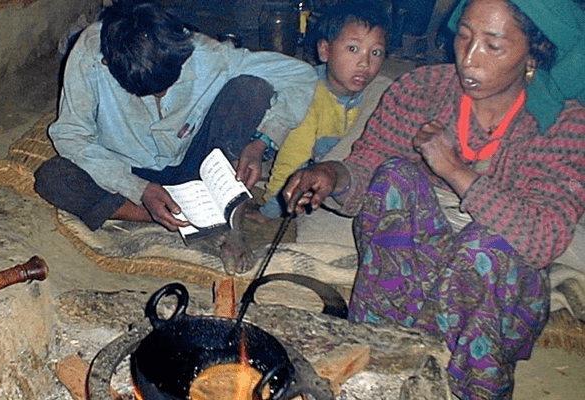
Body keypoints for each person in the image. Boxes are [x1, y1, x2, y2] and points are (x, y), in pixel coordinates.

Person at [283, 0, 585, 398]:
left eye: (493, 46)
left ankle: (469, 386)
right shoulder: (423, 89)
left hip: (494, 296)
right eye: (464, 37)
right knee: (394, 175)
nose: (469, 59)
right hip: (411, 274)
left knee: (483, 247)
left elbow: (543, 238)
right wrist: (331, 175)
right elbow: (369, 165)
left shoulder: (563, 122)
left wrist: (454, 169)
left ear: (534, 51)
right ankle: (375, 348)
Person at [33, 0, 317, 274]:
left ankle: (231, 220)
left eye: (168, 86)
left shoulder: (204, 53)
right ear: (108, 62)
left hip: (197, 162)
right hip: (127, 169)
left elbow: (300, 76)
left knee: (251, 90)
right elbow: (70, 134)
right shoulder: (91, 54)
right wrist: (138, 188)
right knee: (53, 177)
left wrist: (261, 142)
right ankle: (181, 220)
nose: (160, 97)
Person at [251, 0, 388, 221]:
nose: (364, 62)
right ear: (325, 50)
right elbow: (292, 158)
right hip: (303, 160)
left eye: (376, 52)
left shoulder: (379, 92)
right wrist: (272, 208)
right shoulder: (309, 93)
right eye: (353, 49)